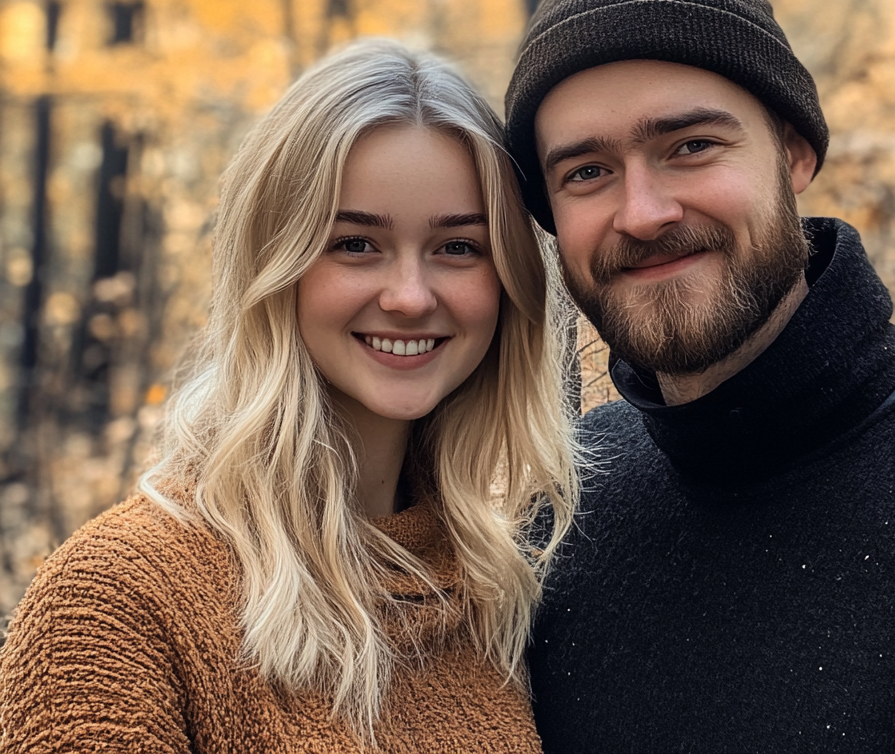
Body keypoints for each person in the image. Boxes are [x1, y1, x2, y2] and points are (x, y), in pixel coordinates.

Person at [505, 0, 895, 753]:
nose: (643, 212)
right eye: (587, 172)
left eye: (691, 146)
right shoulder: (561, 513)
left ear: (793, 152)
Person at [0, 40, 579, 753]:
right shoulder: (117, 601)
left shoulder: (500, 593)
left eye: (458, 247)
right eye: (355, 245)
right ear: (273, 264)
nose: (408, 295)